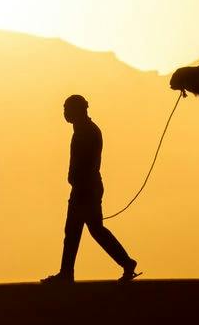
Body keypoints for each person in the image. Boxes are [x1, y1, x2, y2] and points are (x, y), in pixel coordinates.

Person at [41, 94, 140, 284]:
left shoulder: (86, 131)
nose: (65, 113)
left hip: (85, 188)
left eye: (67, 109)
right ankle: (124, 263)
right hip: (86, 187)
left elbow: (85, 163)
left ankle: (68, 273)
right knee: (87, 230)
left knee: (78, 231)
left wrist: (78, 184)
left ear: (77, 110)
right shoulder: (85, 129)